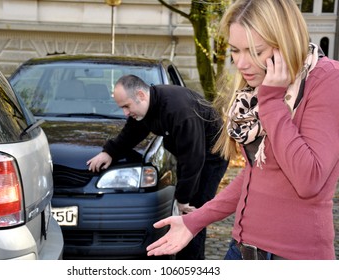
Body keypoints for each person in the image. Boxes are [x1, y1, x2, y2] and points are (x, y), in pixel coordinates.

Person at [146, 0, 339, 260]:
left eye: (255, 51)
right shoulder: (255, 89)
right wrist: (195, 220)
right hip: (240, 250)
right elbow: (254, 176)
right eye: (235, 50)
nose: (242, 63)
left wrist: (271, 101)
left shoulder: (327, 80)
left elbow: (309, 180)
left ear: (285, 41)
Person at [87, 74, 229, 259]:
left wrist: (184, 198)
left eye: (126, 106)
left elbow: (193, 158)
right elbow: (131, 133)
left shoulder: (179, 111)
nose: (125, 113)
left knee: (194, 215)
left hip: (212, 156)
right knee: (184, 211)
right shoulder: (147, 107)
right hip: (191, 153)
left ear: (141, 95)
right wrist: (109, 152)